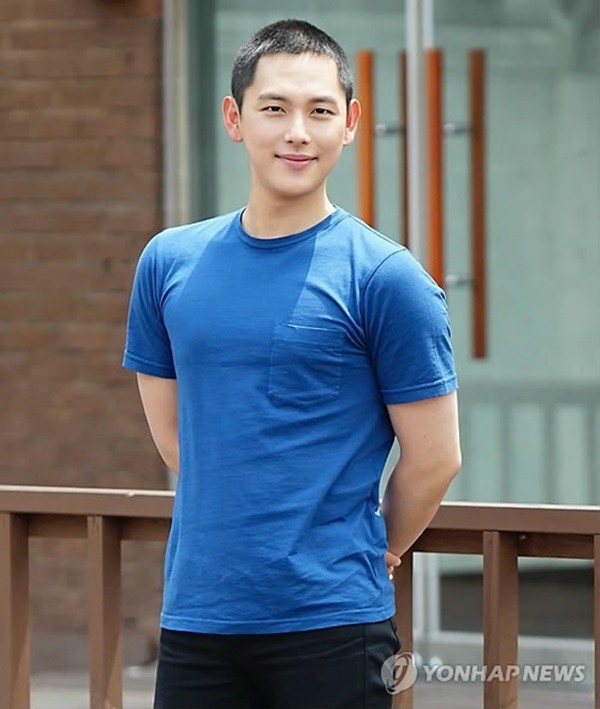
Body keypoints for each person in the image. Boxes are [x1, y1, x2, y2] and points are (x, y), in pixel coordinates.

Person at [123, 18, 461, 709]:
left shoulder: (387, 278)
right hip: (197, 617)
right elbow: (180, 440)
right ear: (235, 118)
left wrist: (372, 548)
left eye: (320, 111)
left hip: (333, 621)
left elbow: (435, 458)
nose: (297, 133)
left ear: (351, 123)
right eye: (274, 108)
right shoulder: (167, 263)